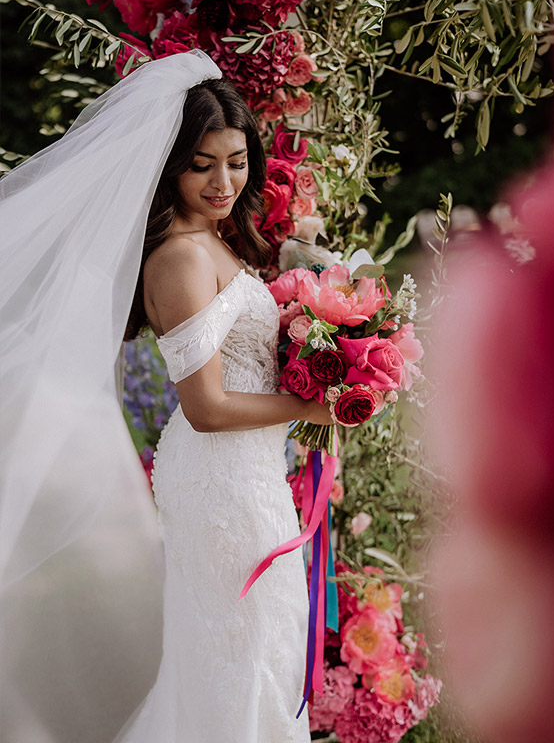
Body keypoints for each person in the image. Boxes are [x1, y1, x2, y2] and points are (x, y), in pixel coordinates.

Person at [0, 50, 328, 741]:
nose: (223, 180)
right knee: (238, 655)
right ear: (170, 166)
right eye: (201, 163)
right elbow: (207, 408)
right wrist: (313, 407)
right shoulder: (180, 256)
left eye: (236, 161)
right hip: (219, 481)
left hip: (251, 473)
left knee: (259, 645)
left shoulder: (217, 241)